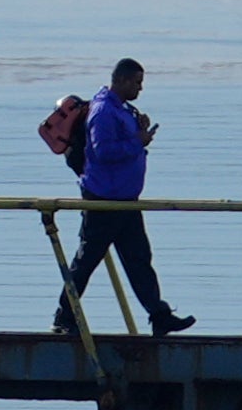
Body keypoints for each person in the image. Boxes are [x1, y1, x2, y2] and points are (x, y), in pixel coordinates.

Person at [57, 59, 190, 335]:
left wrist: (138, 129)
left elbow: (122, 142)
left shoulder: (121, 109)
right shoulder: (104, 111)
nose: (140, 88)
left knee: (139, 258)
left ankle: (159, 316)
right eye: (137, 82)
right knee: (87, 260)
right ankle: (63, 317)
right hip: (104, 200)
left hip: (124, 200)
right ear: (122, 81)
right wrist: (137, 142)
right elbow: (103, 151)